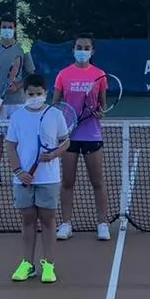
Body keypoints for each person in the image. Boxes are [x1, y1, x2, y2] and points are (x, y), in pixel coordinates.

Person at [5, 73, 70, 284]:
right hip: (23, 180)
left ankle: (48, 265)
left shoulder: (55, 115)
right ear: (25, 93)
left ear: (46, 93)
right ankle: (27, 264)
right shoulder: (17, 117)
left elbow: (65, 142)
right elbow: (11, 146)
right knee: (28, 220)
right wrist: (18, 171)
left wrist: (53, 155)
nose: (35, 97)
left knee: (49, 220)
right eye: (30, 94)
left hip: (49, 179)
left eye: (38, 94)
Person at [52, 33, 112, 242]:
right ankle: (66, 224)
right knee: (68, 182)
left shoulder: (99, 75)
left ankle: (102, 224)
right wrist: (61, 127)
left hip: (92, 134)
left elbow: (102, 106)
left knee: (97, 181)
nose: (82, 51)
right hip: (68, 136)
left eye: (87, 48)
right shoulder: (63, 75)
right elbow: (55, 106)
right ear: (73, 49)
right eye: (79, 47)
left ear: (92, 51)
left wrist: (100, 113)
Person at [0, 17, 33, 188]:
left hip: (18, 103)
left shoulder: (22, 49)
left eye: (10, 27)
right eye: (4, 27)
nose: (7, 29)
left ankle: (23, 172)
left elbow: (31, 75)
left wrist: (18, 85)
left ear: (14, 29)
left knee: (21, 139)